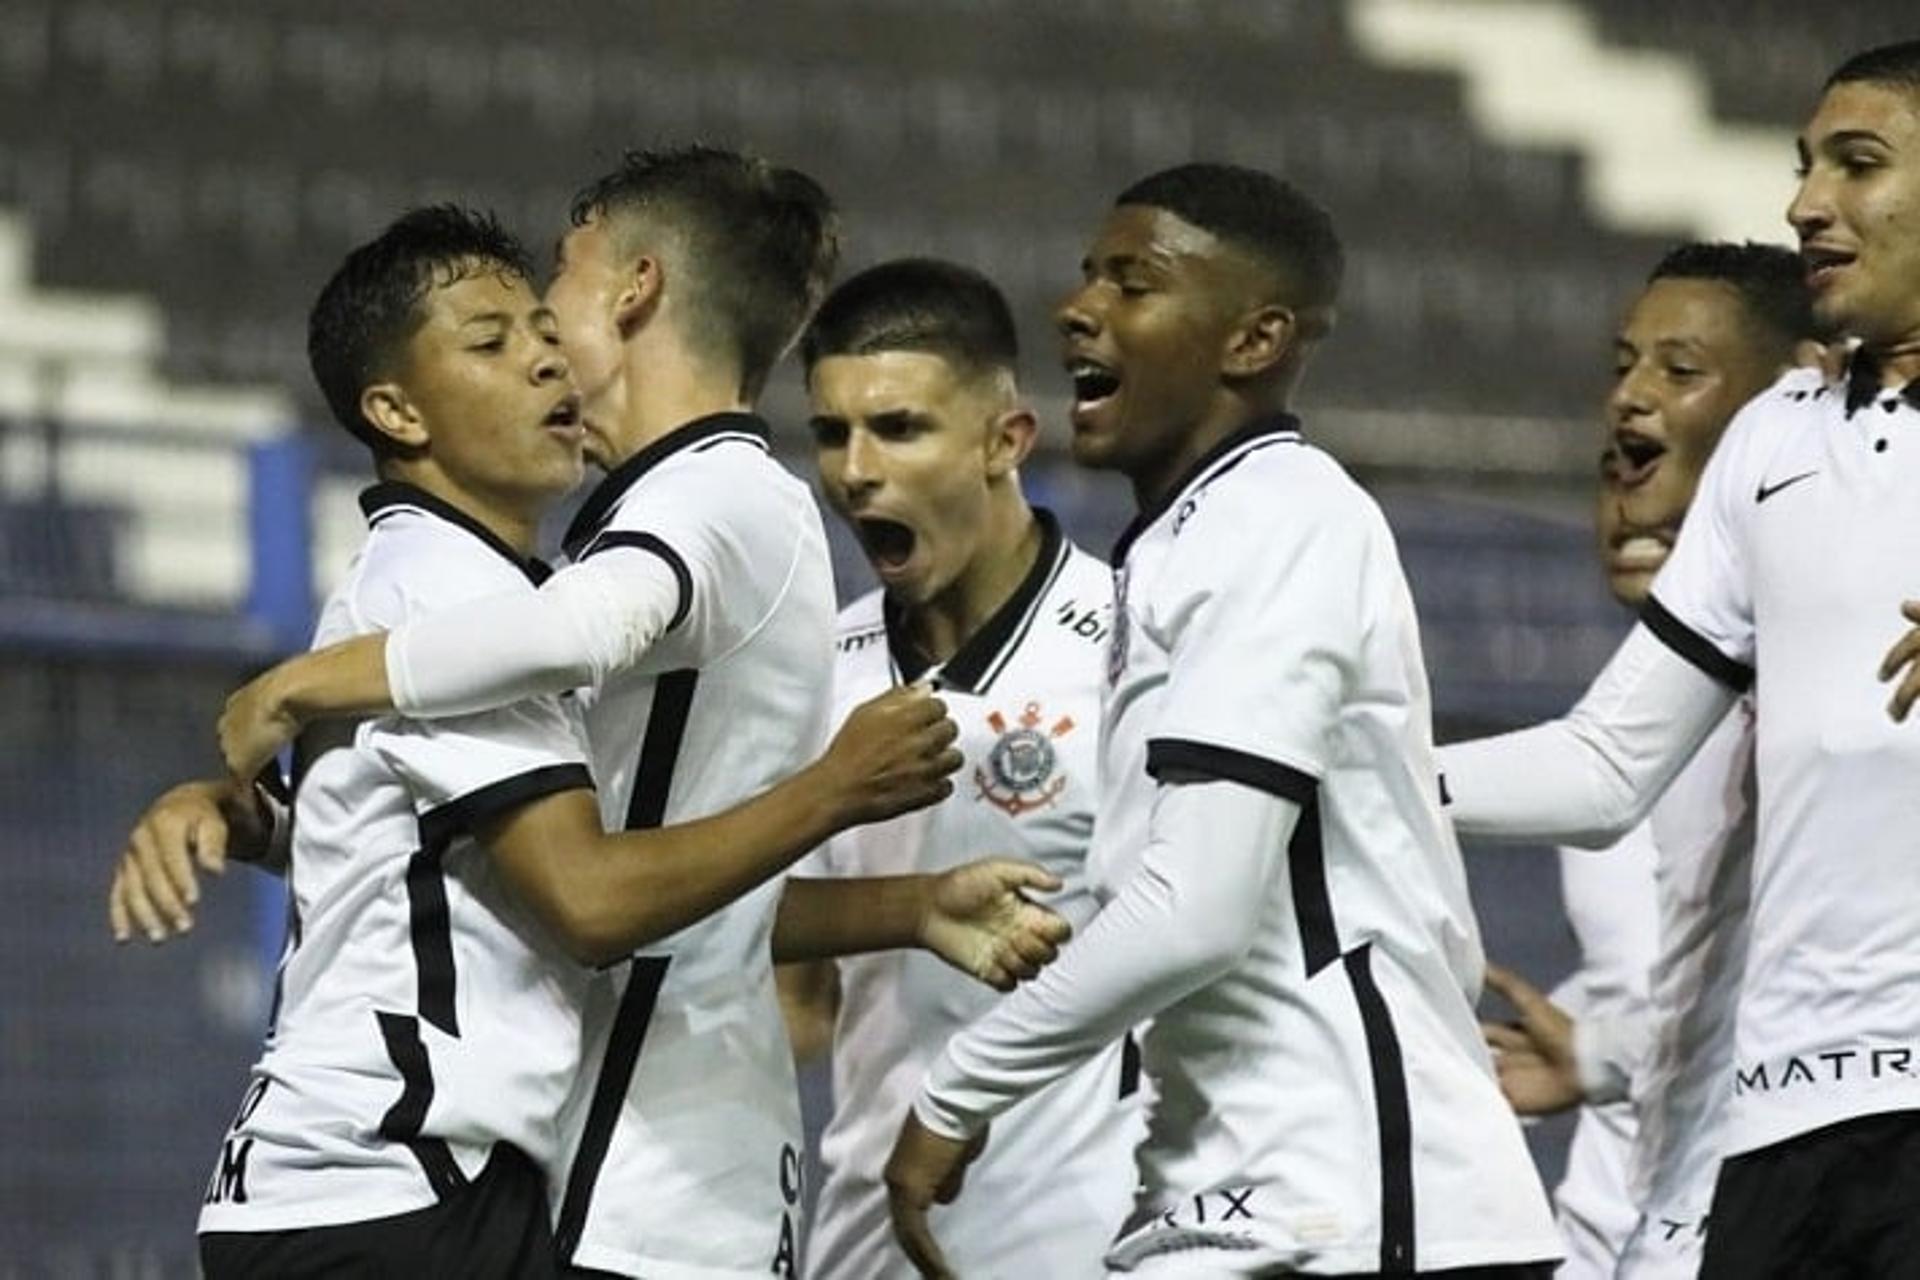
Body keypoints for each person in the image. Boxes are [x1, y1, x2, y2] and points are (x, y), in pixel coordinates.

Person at [142, 146, 1068, 1280]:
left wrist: (302, 682)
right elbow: (629, 882)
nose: (542, 341)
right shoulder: (517, 567)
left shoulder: (696, 506)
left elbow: (598, 838)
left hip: (656, 1178)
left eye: (552, 296)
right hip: (581, 1166)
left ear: (630, 289)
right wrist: (266, 818)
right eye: (499, 337)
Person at [882, 162, 1562, 1278]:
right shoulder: (1188, 541)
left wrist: (961, 1085)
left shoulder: (1276, 518)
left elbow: (1196, 906)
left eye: (1133, 282)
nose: (1078, 306)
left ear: (1253, 341)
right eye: (1087, 273)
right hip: (1243, 1194)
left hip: (1353, 1208)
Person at [1438, 41, 1920, 1277]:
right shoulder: (1774, 440)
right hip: (1780, 1125)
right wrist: (1346, 775)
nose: (1806, 202)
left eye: (1856, 164)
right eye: (1805, 167)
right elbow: (1608, 762)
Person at [776, 258, 1141, 1279]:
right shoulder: (810, 678)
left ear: (1006, 439)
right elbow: (797, 1000)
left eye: (898, 428)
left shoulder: (1133, 651)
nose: (854, 470)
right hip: (866, 1232)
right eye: (830, 432)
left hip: (1093, 1234)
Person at [1479, 242, 1820, 1279]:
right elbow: (1685, 977)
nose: (1630, 402)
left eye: (1680, 370)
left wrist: (1341, 771)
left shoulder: (1827, 695)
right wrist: (1597, 1043)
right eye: (1624, 365)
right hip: (1635, 1222)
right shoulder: (1620, 725)